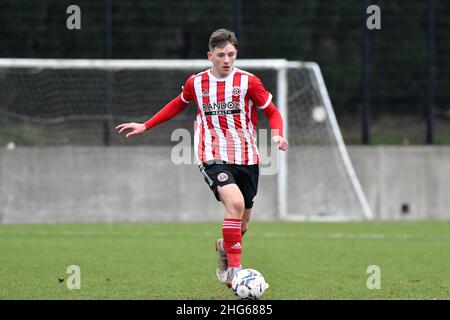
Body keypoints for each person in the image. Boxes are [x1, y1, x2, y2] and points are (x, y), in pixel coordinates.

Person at [115, 28, 288, 288]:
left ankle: (223, 248)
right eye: (221, 55)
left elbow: (273, 112)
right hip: (211, 155)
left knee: (242, 223)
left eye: (231, 54)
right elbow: (177, 104)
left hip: (247, 157)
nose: (227, 60)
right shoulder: (196, 83)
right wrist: (146, 125)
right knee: (236, 204)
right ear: (210, 56)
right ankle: (235, 271)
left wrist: (278, 135)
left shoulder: (249, 82)